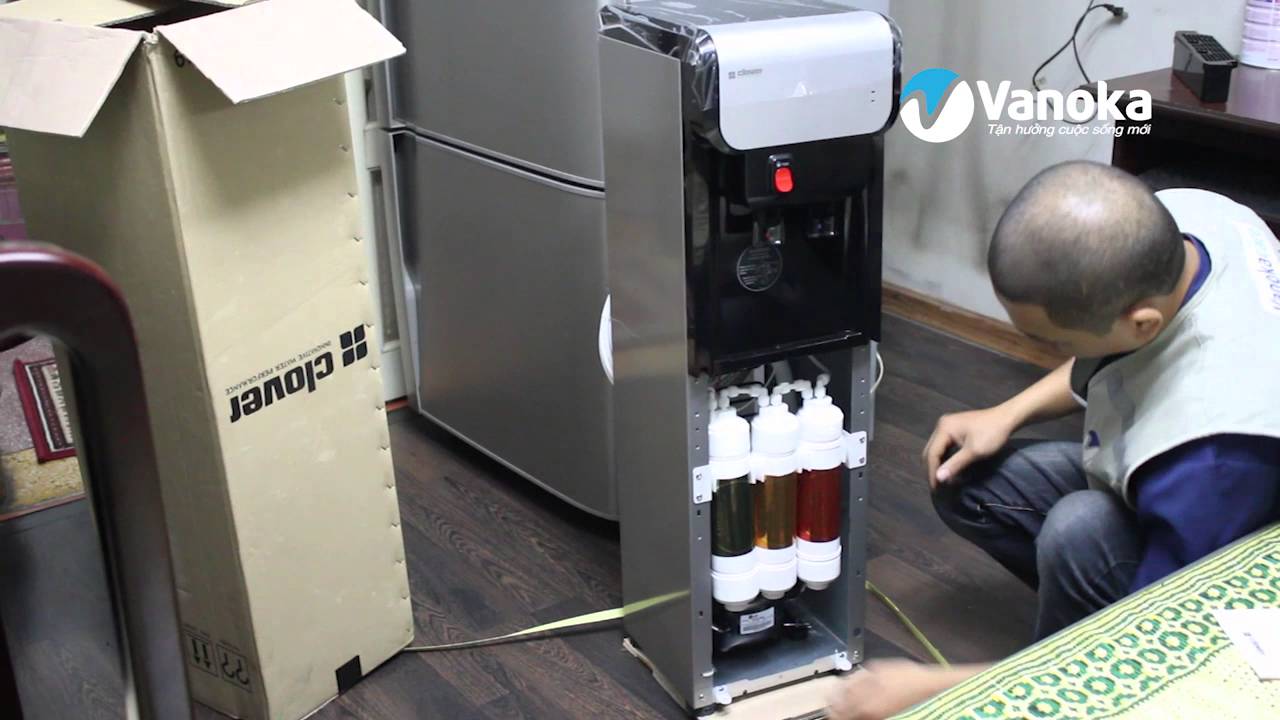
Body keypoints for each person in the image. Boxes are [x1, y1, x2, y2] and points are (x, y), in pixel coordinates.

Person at [829, 161, 1280, 720]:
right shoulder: (1192, 218)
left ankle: (1064, 680)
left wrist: (934, 688)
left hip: (1228, 566)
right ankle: (1077, 612)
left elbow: (1156, 646)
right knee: (968, 476)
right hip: (1180, 480)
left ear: (1141, 323)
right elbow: (1107, 350)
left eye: (1055, 342)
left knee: (1079, 530)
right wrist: (1006, 413)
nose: (1046, 353)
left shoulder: (1212, 457)